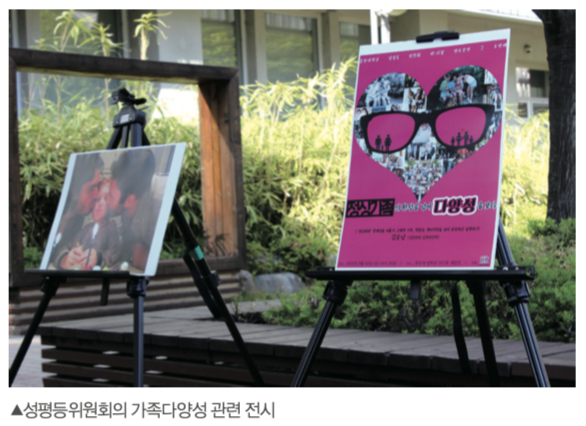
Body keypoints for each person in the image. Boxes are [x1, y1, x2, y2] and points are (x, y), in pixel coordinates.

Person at [56, 177, 122, 270]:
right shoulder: (86, 229)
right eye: (97, 199)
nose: (101, 203)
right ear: (92, 203)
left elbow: (116, 250)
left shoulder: (112, 226)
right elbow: (65, 247)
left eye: (105, 198)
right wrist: (65, 258)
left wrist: (98, 258)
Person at [109, 149, 157, 271]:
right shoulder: (122, 212)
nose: (105, 201)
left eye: (110, 196)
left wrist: (148, 257)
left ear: (128, 201)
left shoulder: (156, 215)